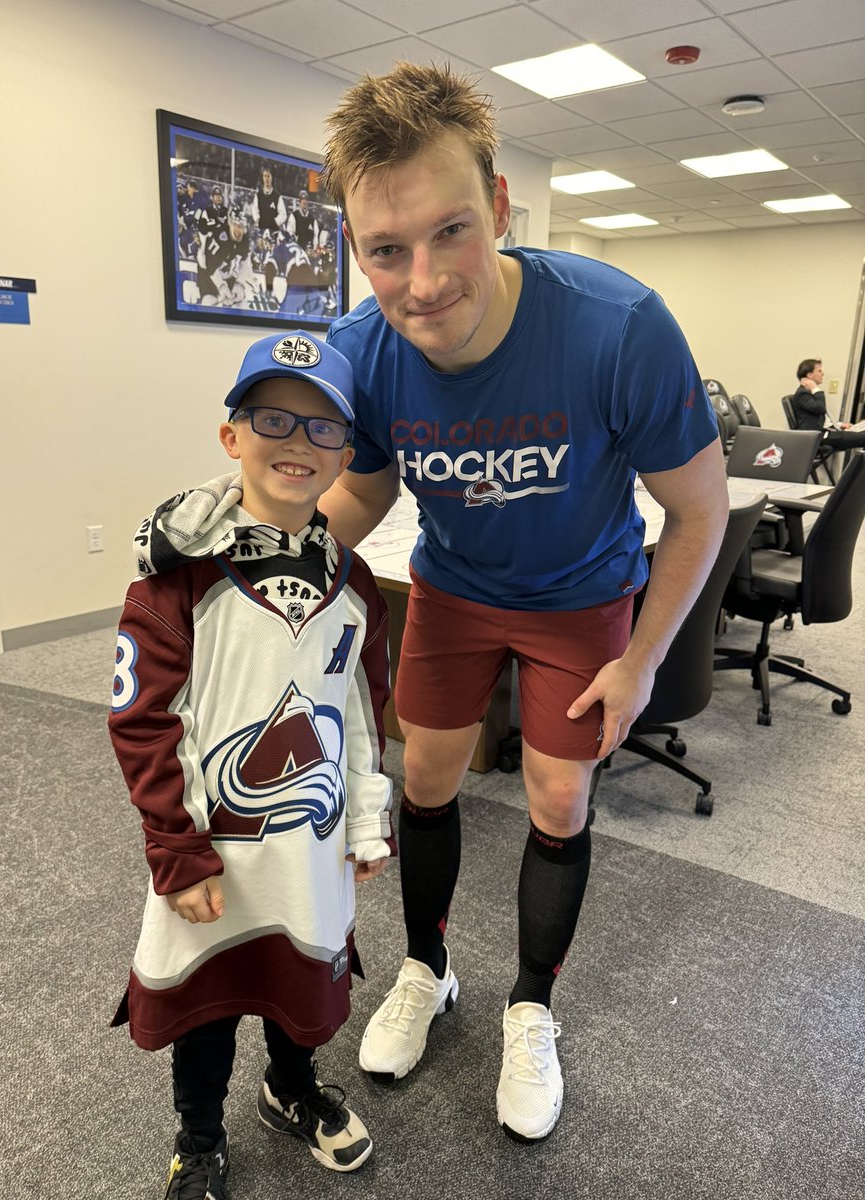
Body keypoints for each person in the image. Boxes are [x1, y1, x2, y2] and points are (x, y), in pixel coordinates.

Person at [318, 61, 729, 1144]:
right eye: (385, 251)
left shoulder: (615, 324)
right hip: (454, 593)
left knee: (557, 803)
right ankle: (426, 967)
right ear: (357, 248)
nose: (420, 284)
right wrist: (265, 562)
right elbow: (365, 484)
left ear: (499, 207)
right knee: (428, 780)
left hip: (581, 598)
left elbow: (698, 511)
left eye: (450, 232)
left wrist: (639, 661)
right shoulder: (366, 352)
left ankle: (532, 1008)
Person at [108, 331, 395, 1197]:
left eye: (321, 429)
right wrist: (176, 850)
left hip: (308, 840)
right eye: (273, 419)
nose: (297, 444)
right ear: (232, 436)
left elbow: (361, 717)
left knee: (301, 971)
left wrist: (366, 818)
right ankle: (199, 1136)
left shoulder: (356, 587)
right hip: (213, 850)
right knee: (211, 995)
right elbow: (141, 721)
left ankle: (292, 1087)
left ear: (346, 454)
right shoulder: (181, 577)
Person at [791, 358, 865, 448]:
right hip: (818, 436)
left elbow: (821, 418)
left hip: (827, 431)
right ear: (810, 375)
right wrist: (816, 389)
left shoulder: (809, 393)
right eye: (819, 371)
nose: (823, 374)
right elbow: (820, 408)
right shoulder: (802, 394)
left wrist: (840, 425)